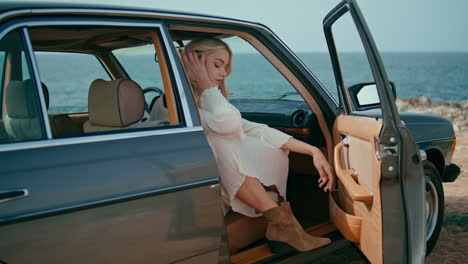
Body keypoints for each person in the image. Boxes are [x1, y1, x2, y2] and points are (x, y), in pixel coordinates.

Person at [178, 38, 334, 254]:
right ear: (194, 64)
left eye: (225, 67)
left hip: (205, 188)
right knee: (221, 142)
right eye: (217, 65)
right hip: (187, 192)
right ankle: (285, 227)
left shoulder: (204, 105)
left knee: (240, 139)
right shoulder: (175, 106)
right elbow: (230, 125)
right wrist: (207, 87)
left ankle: (284, 226)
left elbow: (257, 130)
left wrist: (313, 151)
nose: (223, 73)